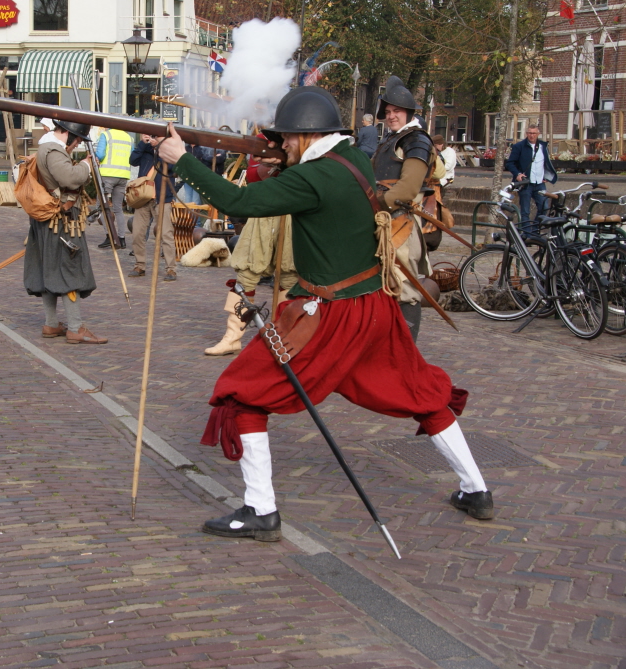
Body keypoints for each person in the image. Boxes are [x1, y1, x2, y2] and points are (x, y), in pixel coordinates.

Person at [156, 86, 494, 542]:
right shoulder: (352, 158)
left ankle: (260, 509)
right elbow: (303, 180)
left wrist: (184, 159)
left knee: (242, 392)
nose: (282, 144)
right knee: (420, 391)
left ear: (306, 134)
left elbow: (239, 205)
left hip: (329, 315)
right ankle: (476, 490)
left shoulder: (313, 177)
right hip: (375, 307)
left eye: (287, 138)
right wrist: (280, 163)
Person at [23, 119, 107, 345]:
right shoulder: (53, 150)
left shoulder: (48, 149)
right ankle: (75, 327)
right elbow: (69, 178)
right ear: (68, 134)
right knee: (68, 270)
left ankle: (51, 324)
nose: (78, 142)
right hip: (61, 221)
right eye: (78, 138)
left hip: (51, 221)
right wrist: (87, 165)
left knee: (49, 269)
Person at [205, 158, 297, 356]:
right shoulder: (264, 144)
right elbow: (256, 174)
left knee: (290, 274)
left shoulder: (304, 144)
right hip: (262, 209)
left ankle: (284, 336)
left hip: (294, 211)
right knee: (246, 271)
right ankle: (232, 338)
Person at [372, 75, 436, 342]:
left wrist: (373, 203)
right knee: (383, 284)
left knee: (404, 287)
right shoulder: (391, 138)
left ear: (408, 112)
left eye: (396, 111)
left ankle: (405, 352)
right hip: (383, 219)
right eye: (387, 112)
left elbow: (407, 189)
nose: (391, 116)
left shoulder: (416, 140)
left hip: (401, 224)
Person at [128, 134, 178, 282]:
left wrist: (160, 148)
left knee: (166, 234)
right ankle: (140, 265)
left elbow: (173, 168)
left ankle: (171, 269)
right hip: (143, 197)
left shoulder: (169, 150)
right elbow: (133, 160)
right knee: (137, 233)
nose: (154, 138)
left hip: (162, 198)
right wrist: (142, 144)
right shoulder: (145, 149)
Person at [505, 125, 557, 237]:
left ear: (538, 134)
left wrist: (546, 175)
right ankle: (527, 235)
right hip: (526, 183)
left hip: (539, 183)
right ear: (526, 133)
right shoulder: (519, 146)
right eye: (529, 133)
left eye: (534, 133)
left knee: (544, 207)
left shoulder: (543, 146)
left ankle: (534, 231)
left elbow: (546, 162)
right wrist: (518, 174)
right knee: (525, 211)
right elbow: (510, 163)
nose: (531, 135)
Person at [94, 127, 133, 249]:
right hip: (123, 176)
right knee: (118, 209)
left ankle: (109, 236)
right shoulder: (129, 137)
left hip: (107, 174)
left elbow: (100, 154)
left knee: (101, 207)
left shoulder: (106, 135)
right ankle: (121, 239)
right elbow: (132, 157)